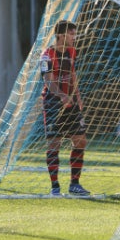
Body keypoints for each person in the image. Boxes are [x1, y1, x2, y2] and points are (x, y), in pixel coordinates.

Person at [40, 20, 90, 196]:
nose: (74, 37)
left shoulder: (71, 52)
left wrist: (78, 97)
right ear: (61, 35)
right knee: (54, 143)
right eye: (71, 34)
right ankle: (55, 187)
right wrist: (62, 96)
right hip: (53, 103)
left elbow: (73, 75)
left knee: (80, 140)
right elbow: (48, 80)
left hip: (71, 103)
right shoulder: (47, 55)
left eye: (74, 34)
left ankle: (74, 184)